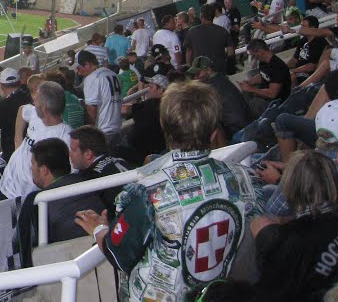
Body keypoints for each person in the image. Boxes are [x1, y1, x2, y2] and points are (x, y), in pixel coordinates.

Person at [75, 81, 259, 302]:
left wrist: (100, 230)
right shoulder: (243, 177)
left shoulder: (149, 192)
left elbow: (119, 254)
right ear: (213, 132)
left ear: (163, 124)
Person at [250, 150, 338, 302]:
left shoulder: (287, 241)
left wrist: (265, 238)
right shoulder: (337, 221)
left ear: (290, 187)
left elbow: (268, 293)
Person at [16, 137, 107, 267]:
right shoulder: (90, 181)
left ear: (44, 170)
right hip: (106, 251)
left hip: (75, 262)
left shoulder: (36, 202)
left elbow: (22, 247)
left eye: (32, 164)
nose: (31, 169)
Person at [0, 81, 72, 200]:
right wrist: (18, 143)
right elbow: (22, 110)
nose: (33, 102)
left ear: (44, 107)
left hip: (29, 197)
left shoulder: (66, 137)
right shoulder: (35, 114)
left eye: (36, 99)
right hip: (6, 185)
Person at [68, 125, 130, 216]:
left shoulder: (91, 177)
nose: (70, 154)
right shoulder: (120, 160)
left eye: (73, 150)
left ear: (88, 154)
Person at [76, 51, 122, 146]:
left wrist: (90, 133)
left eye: (79, 68)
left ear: (87, 64)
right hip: (117, 127)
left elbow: (91, 110)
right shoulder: (112, 73)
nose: (78, 72)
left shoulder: (91, 78)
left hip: (103, 131)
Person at [240, 38, 292, 117]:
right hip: (265, 96)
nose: (254, 58)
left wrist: (251, 89)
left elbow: (272, 93)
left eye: (254, 55)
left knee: (252, 104)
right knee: (244, 95)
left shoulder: (277, 66)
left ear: (260, 52)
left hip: (276, 103)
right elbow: (263, 76)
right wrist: (249, 82)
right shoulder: (263, 62)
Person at [0, 68, 30, 157]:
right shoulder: (30, 95)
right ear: (19, 82)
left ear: (2, 85)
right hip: (31, 149)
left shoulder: (5, 104)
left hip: (13, 153)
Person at [182, 3, 236, 73]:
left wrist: (190, 68)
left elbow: (189, 53)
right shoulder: (222, 31)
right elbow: (231, 52)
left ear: (201, 15)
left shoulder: (192, 31)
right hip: (219, 71)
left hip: (201, 73)